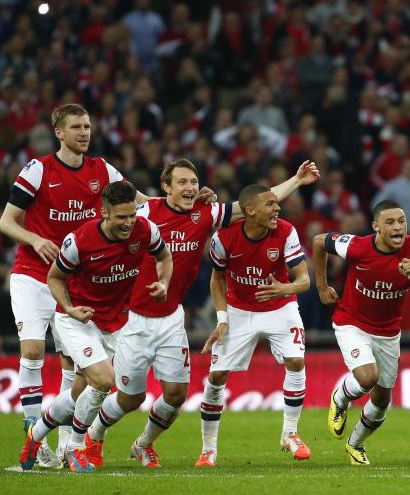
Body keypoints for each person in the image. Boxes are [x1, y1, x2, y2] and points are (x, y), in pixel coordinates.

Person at [83, 158, 319, 468]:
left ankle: (144, 445)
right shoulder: (145, 214)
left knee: (176, 395)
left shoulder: (206, 214)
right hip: (136, 318)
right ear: (166, 187)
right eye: (181, 182)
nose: (190, 187)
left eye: (193, 182)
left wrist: (297, 180)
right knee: (131, 398)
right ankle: (94, 436)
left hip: (171, 318)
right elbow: (108, 226)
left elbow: (257, 202)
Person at [0, 103, 130, 467]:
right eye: (76, 127)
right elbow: (6, 222)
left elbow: (136, 203)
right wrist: (35, 239)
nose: (84, 132)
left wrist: (176, 203)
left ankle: (59, 441)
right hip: (33, 273)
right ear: (59, 132)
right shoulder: (39, 169)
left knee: (74, 368)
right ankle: (32, 427)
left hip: (74, 279)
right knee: (34, 349)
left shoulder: (101, 170)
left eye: (87, 126)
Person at [19, 181, 171, 472]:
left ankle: (34, 435)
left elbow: (164, 256)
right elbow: (54, 278)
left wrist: (163, 282)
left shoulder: (146, 230)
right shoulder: (79, 241)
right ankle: (76, 447)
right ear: (104, 213)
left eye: (131, 216)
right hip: (77, 318)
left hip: (117, 322)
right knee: (103, 380)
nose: (128, 223)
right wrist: (69, 309)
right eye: (120, 217)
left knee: (79, 392)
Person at [314, 200, 410, 465]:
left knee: (382, 398)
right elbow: (319, 241)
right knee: (367, 377)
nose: (398, 227)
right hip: (352, 322)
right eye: (390, 222)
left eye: (401, 221)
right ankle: (340, 397)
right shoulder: (357, 246)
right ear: (376, 226)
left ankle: (356, 444)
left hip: (388, 331)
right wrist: (321, 286)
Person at [196, 184, 312, 466]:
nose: (277, 208)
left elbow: (304, 280)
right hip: (239, 309)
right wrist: (222, 319)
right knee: (217, 376)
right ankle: (208, 449)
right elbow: (217, 279)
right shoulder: (223, 238)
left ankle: (290, 434)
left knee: (296, 361)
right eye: (270, 204)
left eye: (276, 203)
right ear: (249, 211)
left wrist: (284, 290)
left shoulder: (285, 231)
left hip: (279, 305)